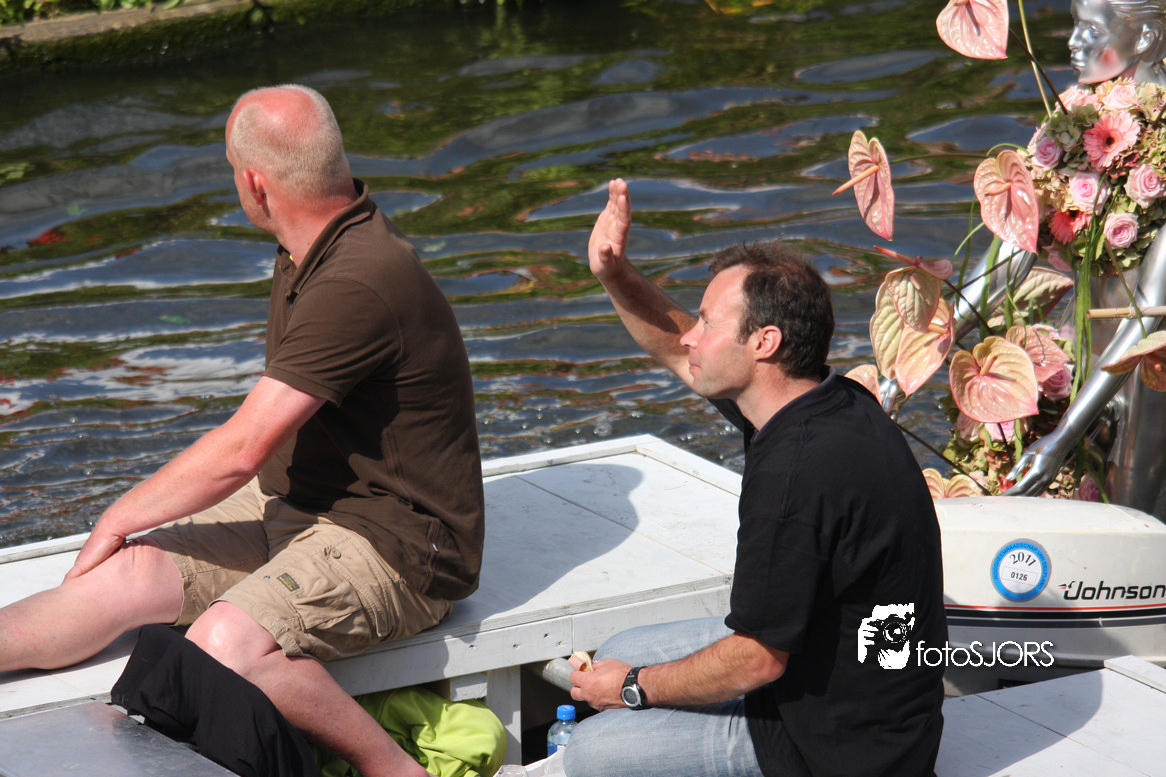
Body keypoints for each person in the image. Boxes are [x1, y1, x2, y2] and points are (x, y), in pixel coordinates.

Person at [0, 84, 484, 777]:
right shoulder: (308, 241)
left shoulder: (360, 278)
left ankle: (394, 770)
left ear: (255, 184)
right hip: (298, 503)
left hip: (397, 544)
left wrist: (116, 515)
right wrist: (124, 539)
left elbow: (241, 448)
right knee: (125, 574)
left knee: (221, 643)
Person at [566, 179, 946, 777]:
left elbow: (757, 660)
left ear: (765, 343)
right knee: (619, 651)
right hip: (865, 681)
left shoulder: (796, 476)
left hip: (842, 747)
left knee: (593, 753)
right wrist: (615, 274)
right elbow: (680, 351)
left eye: (706, 321)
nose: (691, 335)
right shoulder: (831, 398)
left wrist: (632, 688)